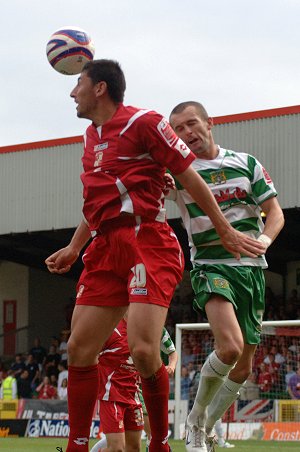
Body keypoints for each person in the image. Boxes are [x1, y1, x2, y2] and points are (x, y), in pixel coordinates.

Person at [45, 60, 265, 452]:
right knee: (79, 349)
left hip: (147, 240)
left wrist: (224, 229)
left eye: (77, 83)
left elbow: (188, 174)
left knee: (145, 351)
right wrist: (75, 246)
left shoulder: (145, 122)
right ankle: (77, 445)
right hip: (103, 246)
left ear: (99, 88)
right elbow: (97, 201)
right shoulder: (88, 138)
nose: (71, 91)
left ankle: (160, 443)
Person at [168, 101, 285, 452]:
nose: (187, 133)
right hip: (210, 266)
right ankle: (194, 421)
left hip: (251, 271)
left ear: (209, 123)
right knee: (230, 347)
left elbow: (274, 213)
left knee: (244, 365)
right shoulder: (178, 172)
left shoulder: (245, 163)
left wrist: (264, 240)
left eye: (192, 124)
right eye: (178, 129)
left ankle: (208, 424)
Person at [90, 314, 144, 452]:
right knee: (117, 449)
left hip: (134, 396)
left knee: (134, 448)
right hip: (111, 396)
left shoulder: (144, 330)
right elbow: (89, 354)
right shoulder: (111, 329)